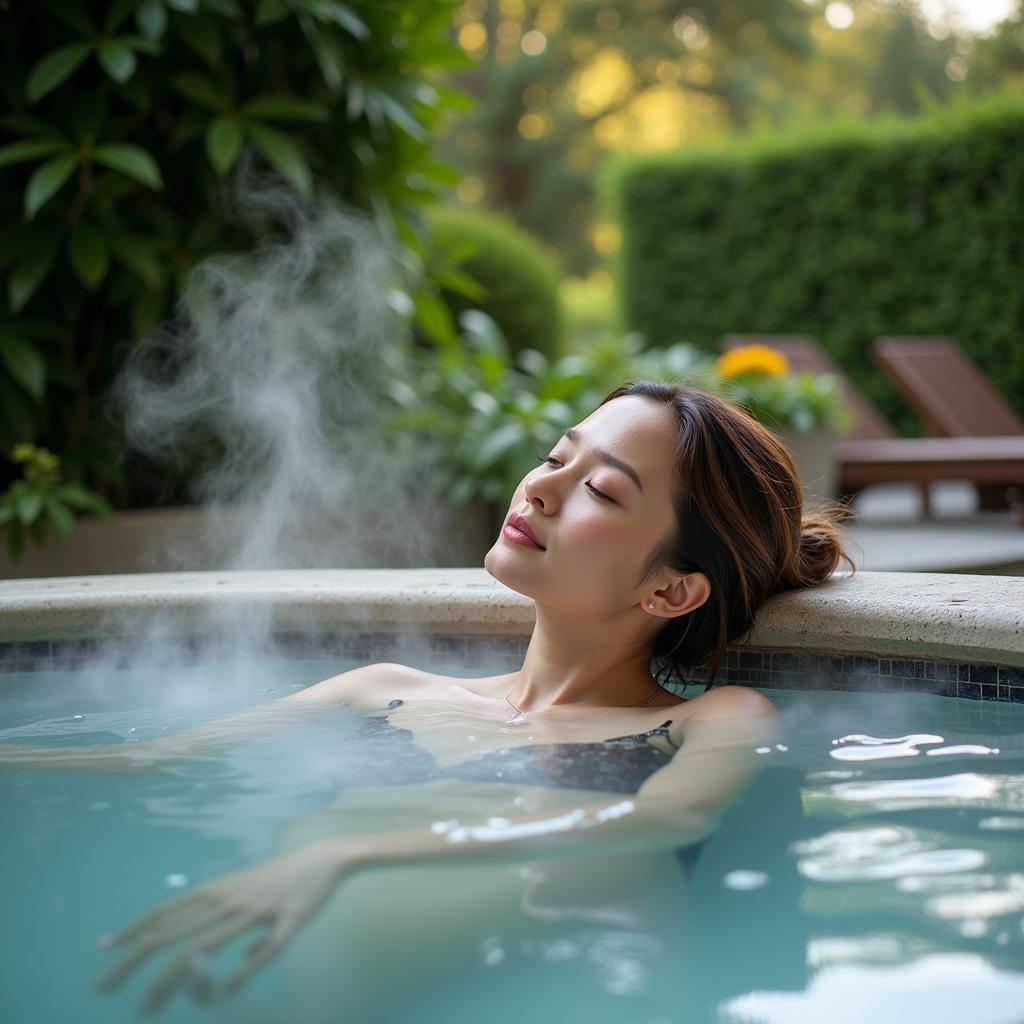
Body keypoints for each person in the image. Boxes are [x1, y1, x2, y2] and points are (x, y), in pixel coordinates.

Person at [0, 381, 854, 1016]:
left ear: (671, 591)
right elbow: (141, 762)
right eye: (557, 458)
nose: (542, 488)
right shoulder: (383, 691)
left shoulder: (705, 719)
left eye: (601, 489)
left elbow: (666, 822)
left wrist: (344, 855)